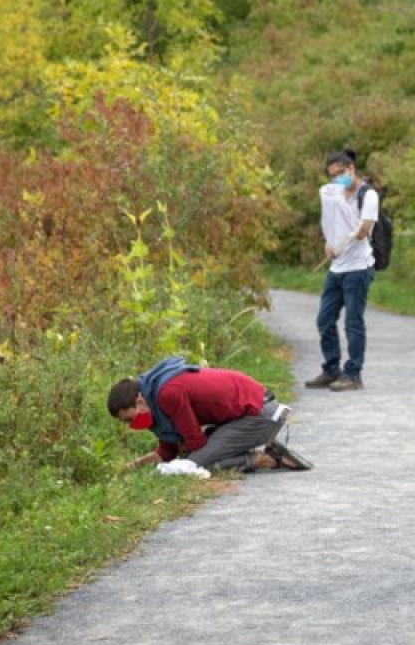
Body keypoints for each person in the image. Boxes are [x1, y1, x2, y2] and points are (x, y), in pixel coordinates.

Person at [108, 356, 309, 472]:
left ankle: (264, 459)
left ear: (140, 401)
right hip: (248, 415)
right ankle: (260, 449)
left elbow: (195, 443)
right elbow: (168, 450)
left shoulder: (167, 394)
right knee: (188, 459)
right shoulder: (155, 398)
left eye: (129, 419)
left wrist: (184, 452)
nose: (131, 426)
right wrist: (133, 466)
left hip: (260, 414)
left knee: (194, 465)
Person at [310, 148, 378, 392]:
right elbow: (329, 221)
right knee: (324, 320)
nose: (338, 178)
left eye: (341, 172)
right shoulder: (333, 193)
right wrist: (329, 243)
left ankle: (353, 374)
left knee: (353, 322)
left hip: (358, 268)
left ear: (352, 169)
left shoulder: (368, 196)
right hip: (337, 267)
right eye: (333, 175)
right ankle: (331, 369)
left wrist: (341, 243)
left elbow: (363, 230)